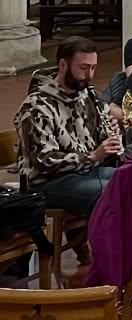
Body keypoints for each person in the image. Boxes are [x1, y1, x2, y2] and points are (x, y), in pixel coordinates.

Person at [15, 35, 120, 214]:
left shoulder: (88, 97)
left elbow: (97, 144)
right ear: (63, 65)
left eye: (93, 68)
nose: (89, 75)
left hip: (86, 172)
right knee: (110, 192)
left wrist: (109, 136)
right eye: (83, 68)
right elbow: (44, 160)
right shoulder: (37, 106)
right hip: (47, 182)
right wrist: (93, 156)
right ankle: (107, 233)